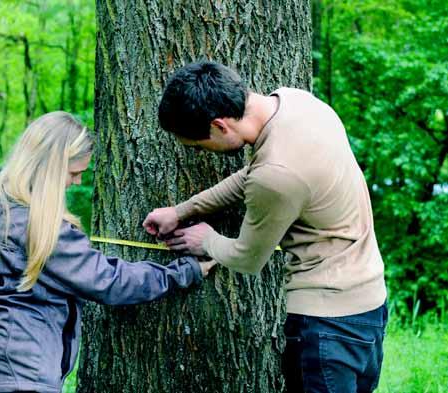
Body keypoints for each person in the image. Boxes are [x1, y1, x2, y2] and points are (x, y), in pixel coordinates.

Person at [143, 62, 387, 393]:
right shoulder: (298, 103)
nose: (201, 153)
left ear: (219, 126)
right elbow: (255, 175)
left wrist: (208, 240)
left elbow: (247, 257)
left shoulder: (276, 175)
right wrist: (183, 209)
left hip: (326, 328)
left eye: (199, 145)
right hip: (369, 307)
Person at [0, 111, 215, 393]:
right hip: (24, 372)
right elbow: (109, 281)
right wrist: (184, 271)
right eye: (74, 173)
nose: (77, 182)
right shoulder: (33, 227)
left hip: (3, 362)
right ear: (51, 166)